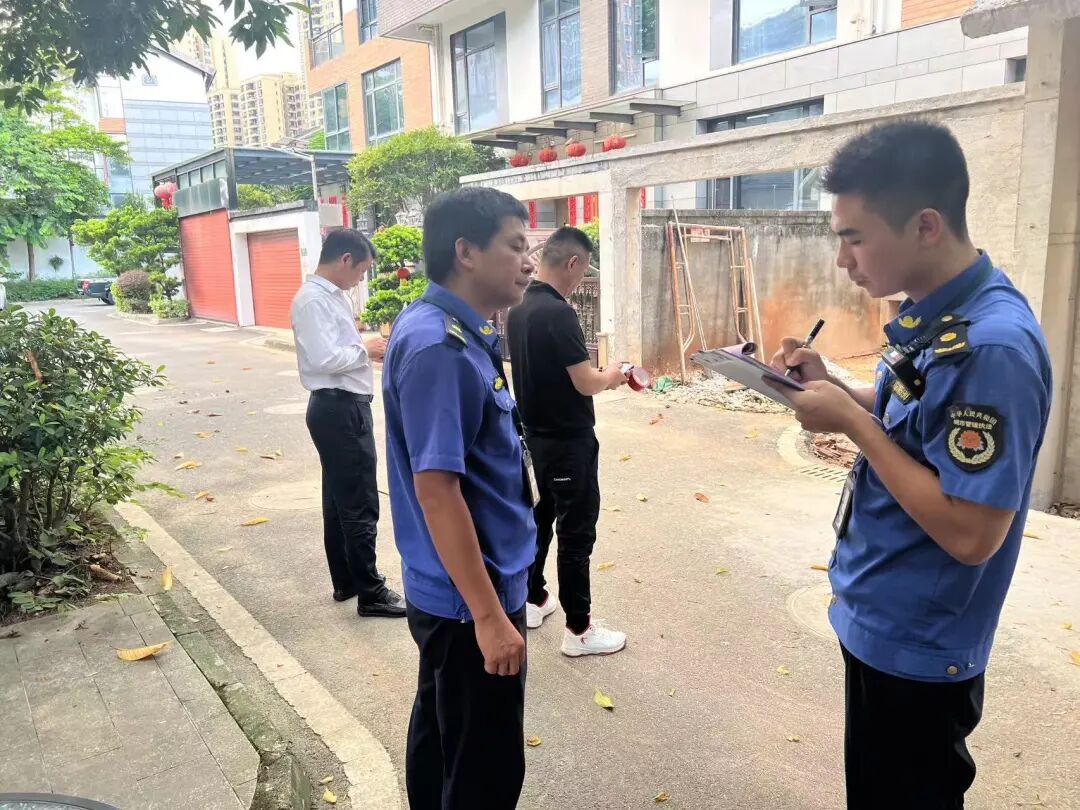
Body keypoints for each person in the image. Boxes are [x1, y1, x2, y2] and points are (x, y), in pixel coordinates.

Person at [770, 121, 1051, 809]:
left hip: (919, 643)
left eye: (854, 238)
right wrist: (837, 387)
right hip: (884, 613)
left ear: (926, 225)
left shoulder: (991, 348)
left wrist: (854, 426)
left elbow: (972, 534)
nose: (843, 260)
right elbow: (917, 421)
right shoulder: (940, 315)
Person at [382, 187, 537, 809]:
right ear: (466, 252)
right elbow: (438, 492)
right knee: (483, 772)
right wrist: (490, 618)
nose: (529, 262)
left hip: (468, 586)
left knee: (444, 744)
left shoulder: (458, 331)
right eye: (516, 246)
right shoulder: (439, 349)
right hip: (471, 598)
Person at [506, 226, 628, 656]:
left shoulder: (518, 306)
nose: (580, 280)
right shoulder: (558, 313)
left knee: (539, 521)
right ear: (573, 263)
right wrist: (614, 375)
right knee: (576, 534)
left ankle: (534, 597)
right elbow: (585, 382)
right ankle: (579, 629)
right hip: (568, 444)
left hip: (533, 440)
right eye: (583, 270)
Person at [290, 229, 405, 619]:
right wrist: (365, 349)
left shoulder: (330, 296)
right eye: (361, 270)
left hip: (340, 406)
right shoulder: (313, 300)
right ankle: (372, 592)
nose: (360, 279)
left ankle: (348, 581)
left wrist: (364, 352)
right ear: (344, 260)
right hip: (339, 408)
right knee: (359, 502)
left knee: (340, 501)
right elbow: (323, 359)